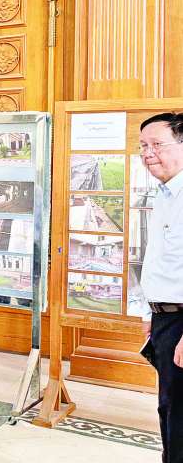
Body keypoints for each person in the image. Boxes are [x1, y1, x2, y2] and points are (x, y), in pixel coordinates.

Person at [134, 112, 183, 462]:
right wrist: (148, 312)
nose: (148, 153)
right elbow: (158, 259)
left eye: (157, 145)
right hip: (165, 319)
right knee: (169, 408)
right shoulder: (165, 194)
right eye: (142, 146)